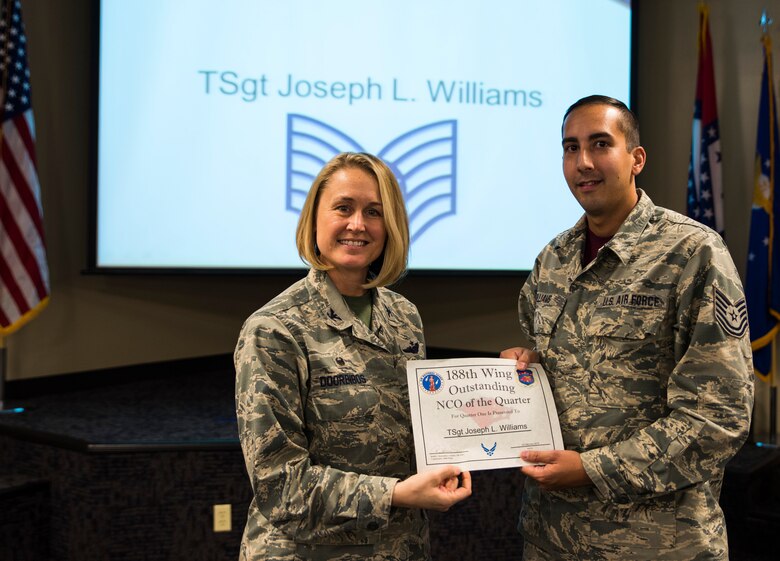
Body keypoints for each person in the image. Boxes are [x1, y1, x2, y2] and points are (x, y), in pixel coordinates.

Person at [501, 95, 754, 560]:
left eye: (600, 144)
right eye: (570, 148)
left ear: (636, 158)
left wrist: (592, 469)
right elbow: (550, 362)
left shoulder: (693, 254)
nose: (584, 163)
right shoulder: (552, 259)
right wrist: (524, 368)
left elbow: (717, 419)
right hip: (552, 539)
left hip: (657, 543)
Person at [235, 152, 471, 561]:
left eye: (374, 212)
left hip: (401, 547)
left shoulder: (404, 316)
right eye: (343, 208)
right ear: (314, 219)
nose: (358, 224)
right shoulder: (274, 329)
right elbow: (281, 486)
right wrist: (395, 494)